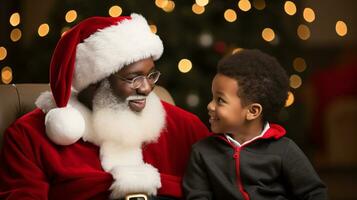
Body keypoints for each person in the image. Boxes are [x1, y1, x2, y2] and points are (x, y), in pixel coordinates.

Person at [0, 13, 210, 200]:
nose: (146, 88)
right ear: (93, 80)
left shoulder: (184, 127)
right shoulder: (29, 136)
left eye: (151, 75)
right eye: (133, 78)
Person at [183, 49, 328, 199]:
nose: (210, 106)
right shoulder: (202, 152)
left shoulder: (284, 150)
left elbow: (314, 193)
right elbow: (197, 196)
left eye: (220, 100)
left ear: (252, 111)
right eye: (212, 97)